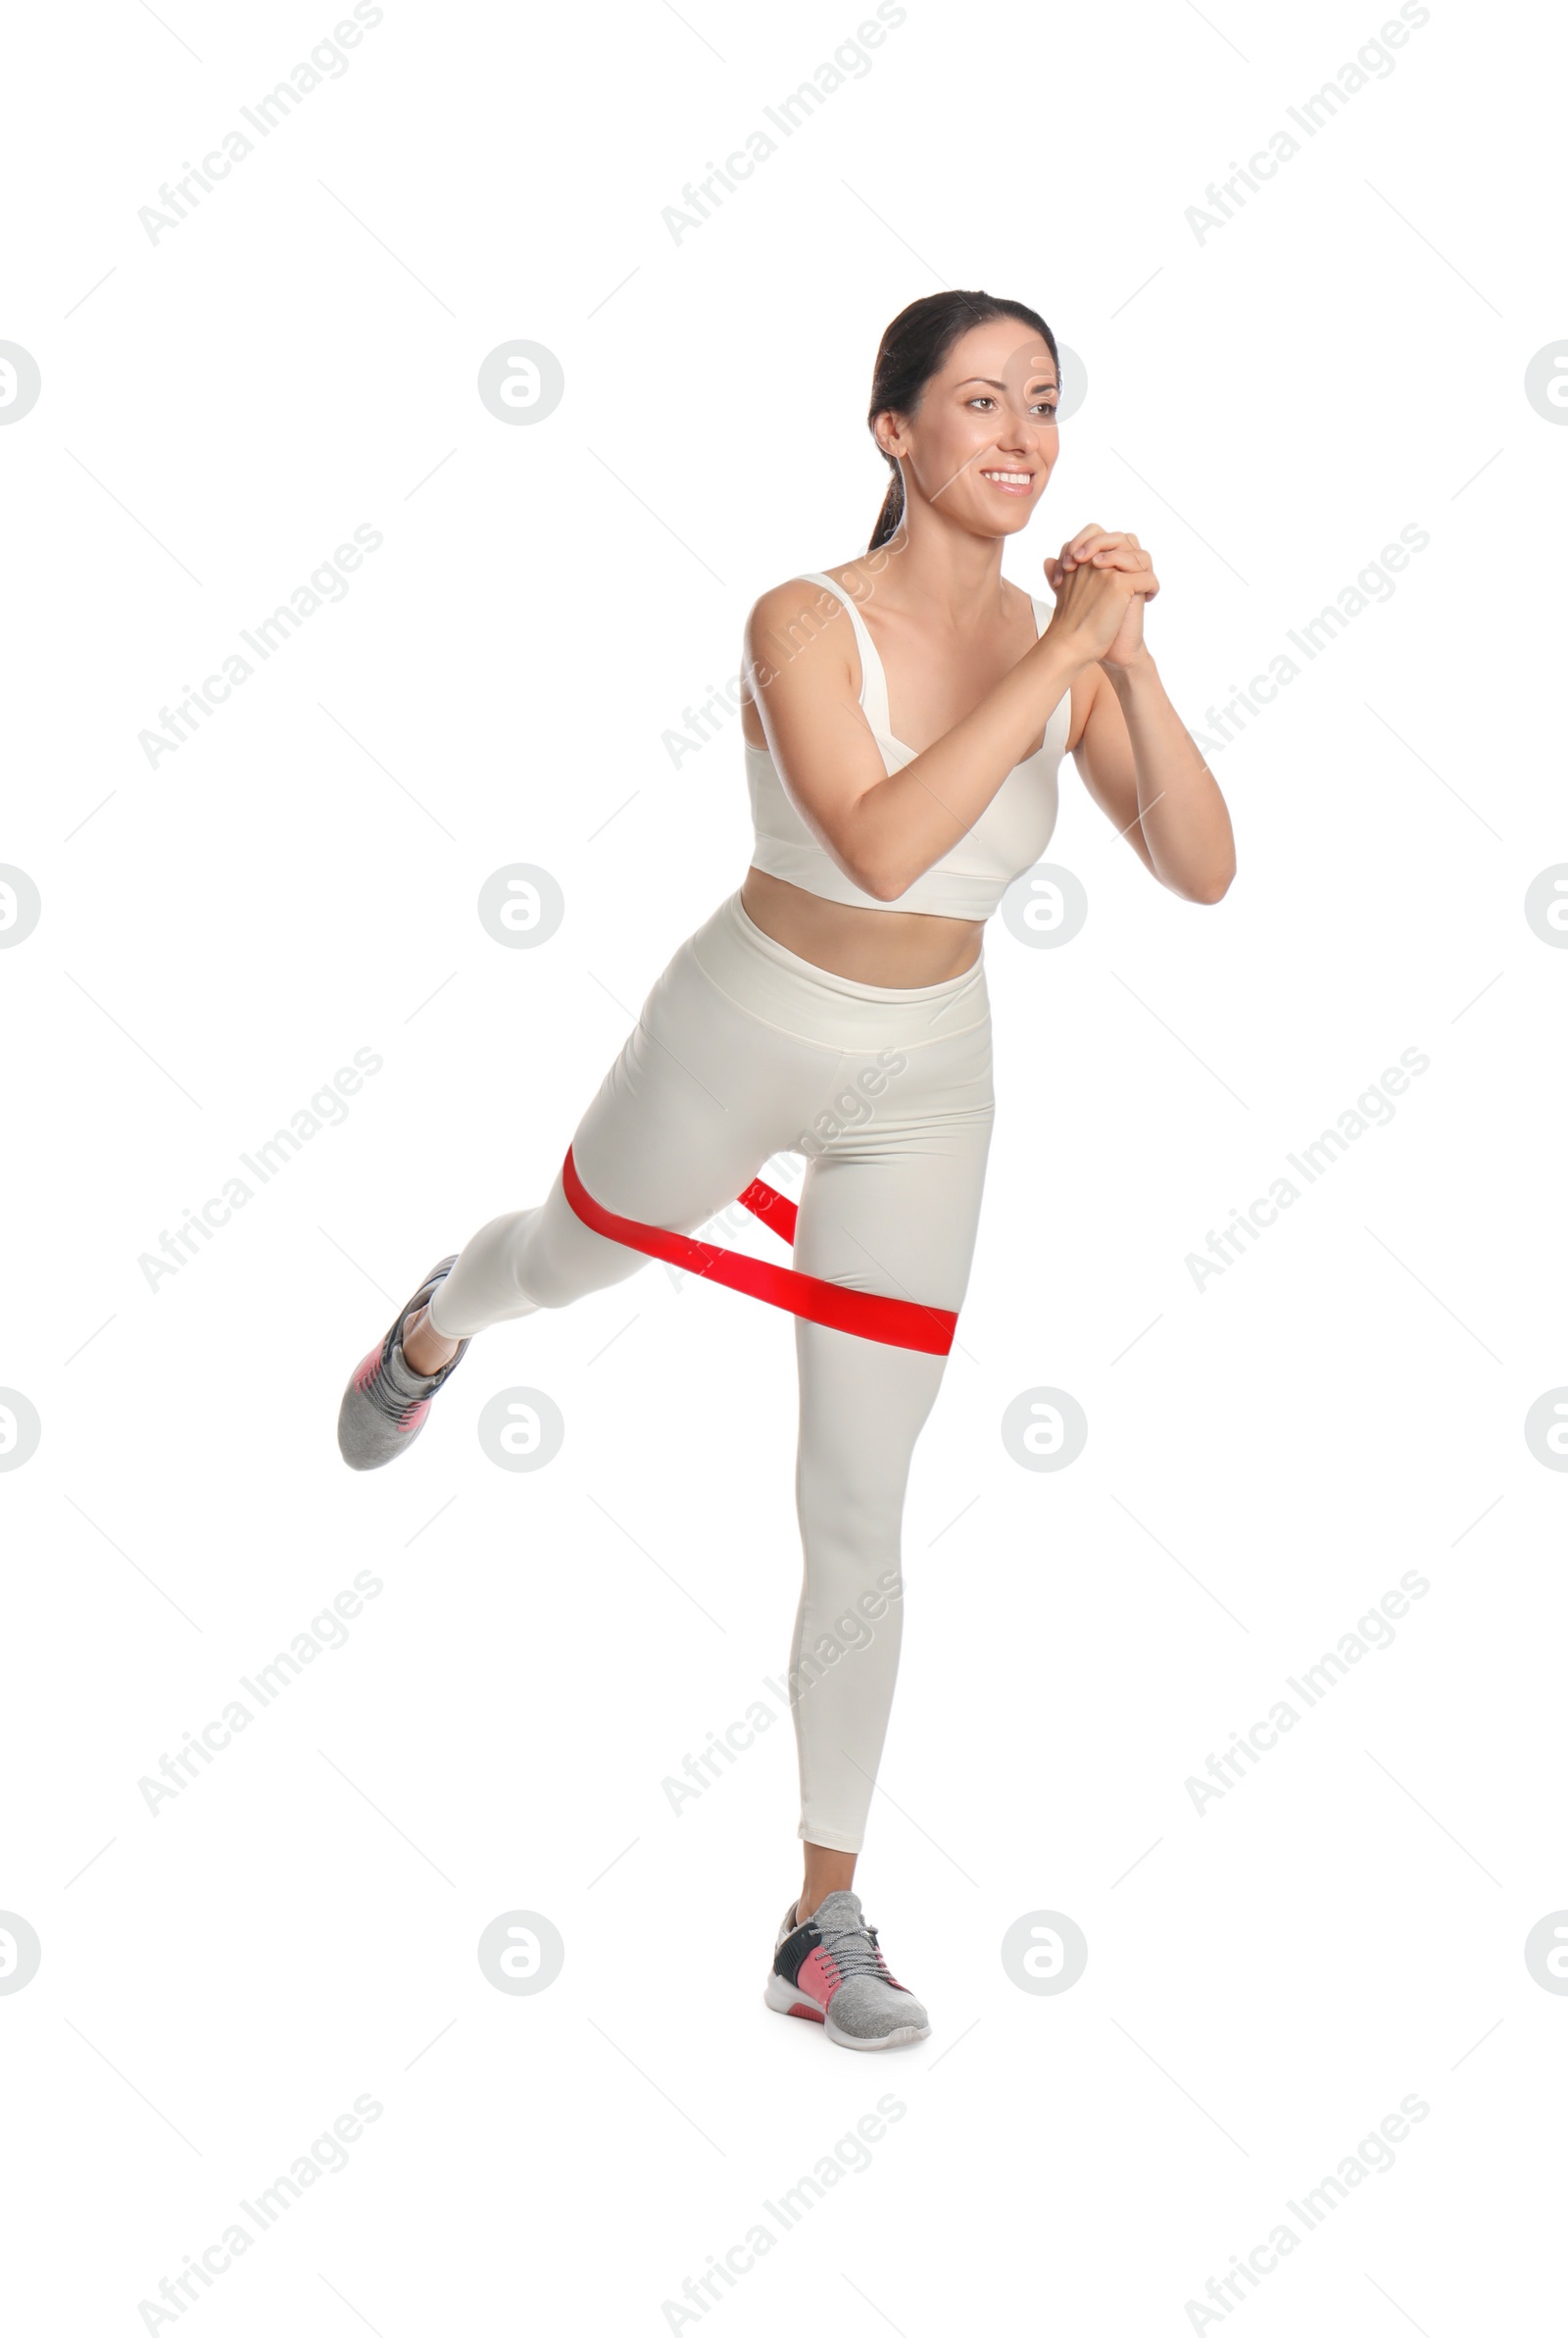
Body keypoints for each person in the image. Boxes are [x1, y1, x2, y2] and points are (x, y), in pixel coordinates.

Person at [337, 289, 1236, 2050]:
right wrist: (1068, 652)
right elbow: (884, 841)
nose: (1021, 438)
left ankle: (821, 1914)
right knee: (566, 1265)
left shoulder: (1070, 644)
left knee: (856, 1495)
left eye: (1043, 404)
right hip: (743, 1024)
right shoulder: (799, 618)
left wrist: (1130, 661)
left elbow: (1202, 865)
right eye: (979, 401)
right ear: (894, 431)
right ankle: (441, 1314)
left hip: (930, 1079)